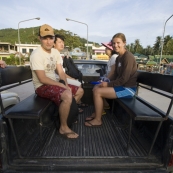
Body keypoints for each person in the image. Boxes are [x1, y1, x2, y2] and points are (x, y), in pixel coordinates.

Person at [30, 24, 84, 139]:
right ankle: (63, 127)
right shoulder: (36, 54)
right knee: (67, 95)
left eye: (51, 38)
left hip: (53, 83)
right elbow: (42, 78)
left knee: (79, 91)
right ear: (40, 38)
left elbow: (60, 72)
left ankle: (67, 115)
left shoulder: (55, 53)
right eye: (45, 38)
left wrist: (65, 84)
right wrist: (62, 86)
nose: (48, 41)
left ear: (54, 38)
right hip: (42, 86)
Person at [85, 33, 138, 127]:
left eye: (118, 43)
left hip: (128, 89)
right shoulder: (119, 58)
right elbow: (116, 75)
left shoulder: (128, 57)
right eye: (113, 43)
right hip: (122, 86)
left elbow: (124, 79)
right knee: (97, 87)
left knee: (98, 92)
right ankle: (97, 112)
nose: (115, 45)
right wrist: (105, 82)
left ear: (124, 43)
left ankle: (98, 120)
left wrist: (108, 85)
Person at [53, 34, 88, 112]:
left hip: (61, 78)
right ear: (54, 44)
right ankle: (72, 108)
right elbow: (59, 72)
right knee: (79, 84)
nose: (62, 44)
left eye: (63, 42)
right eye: (60, 42)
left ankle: (76, 104)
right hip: (58, 80)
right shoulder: (54, 54)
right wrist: (71, 78)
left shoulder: (58, 54)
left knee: (79, 82)